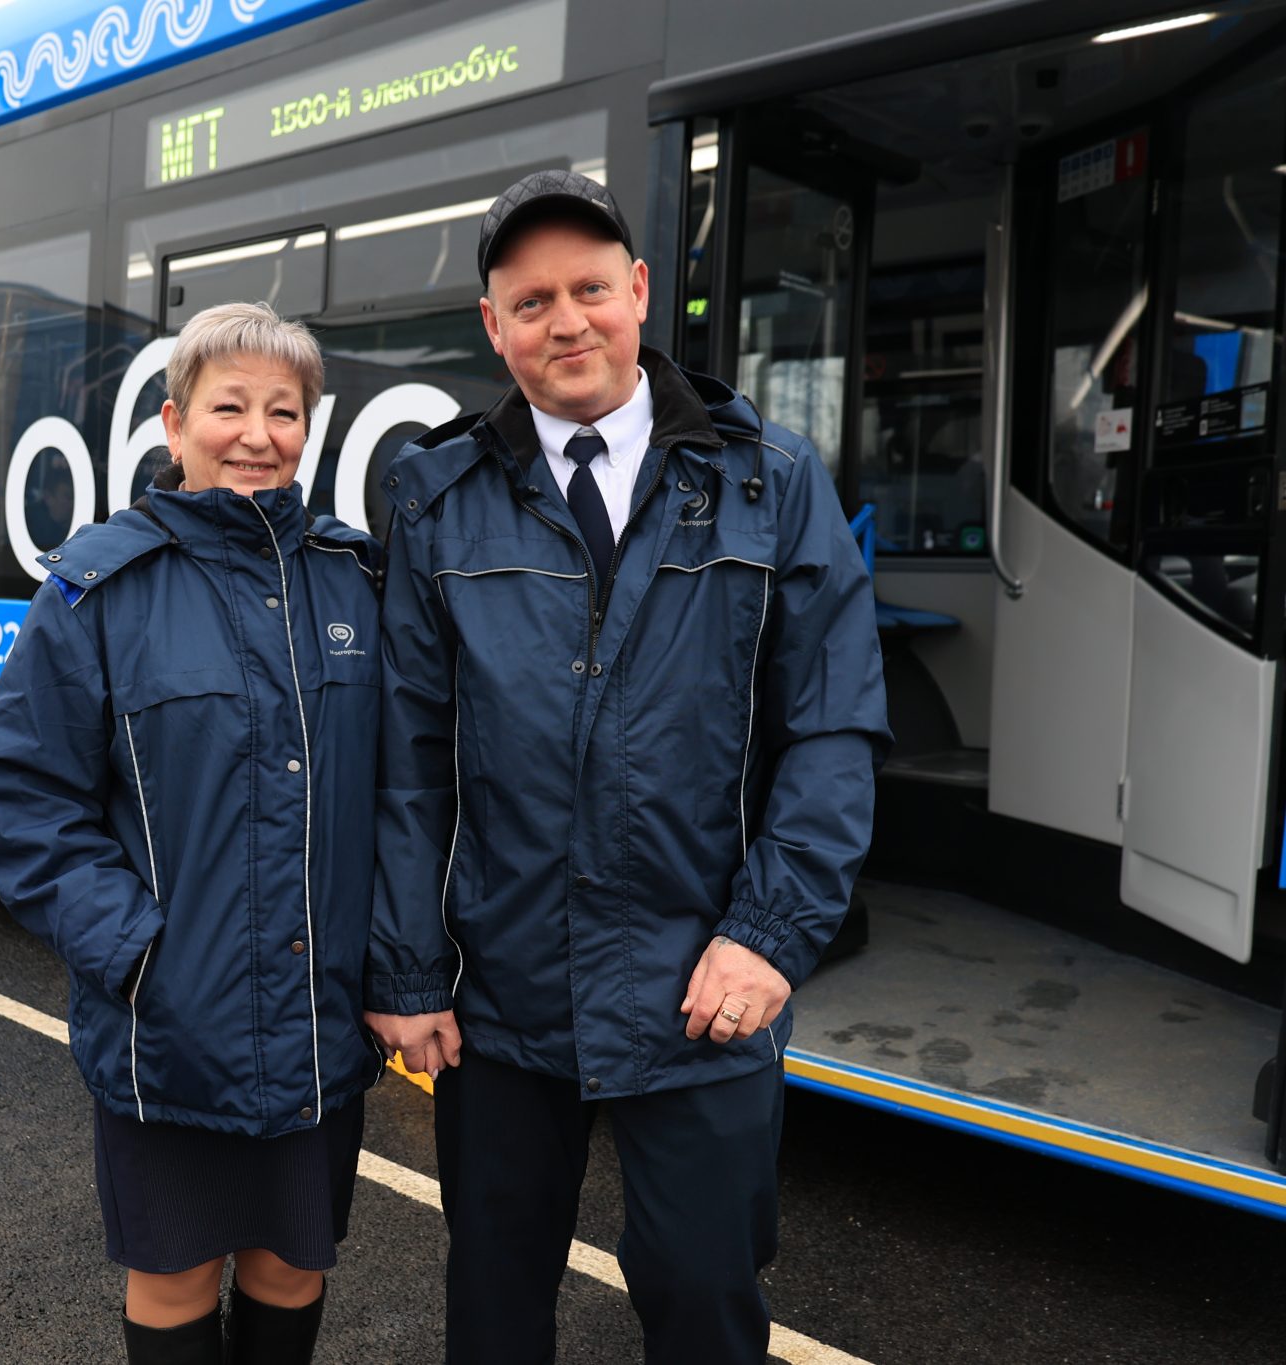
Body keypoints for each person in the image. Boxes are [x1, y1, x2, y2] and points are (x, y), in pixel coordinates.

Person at [363, 170, 891, 1364]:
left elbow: (833, 727)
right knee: (493, 1310)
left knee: (703, 1301)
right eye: (531, 299)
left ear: (638, 293)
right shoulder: (435, 499)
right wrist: (405, 965)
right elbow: (405, 760)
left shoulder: (769, 482)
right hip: (497, 997)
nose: (566, 322)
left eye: (589, 289)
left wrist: (768, 932)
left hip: (701, 983)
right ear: (492, 327)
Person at [0, 301, 385, 1365]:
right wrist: (138, 956)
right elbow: (22, 802)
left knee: (293, 1264)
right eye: (228, 406)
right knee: (173, 1275)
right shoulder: (95, 589)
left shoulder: (355, 578)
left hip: (313, 1019)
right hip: (171, 1028)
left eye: (283, 411)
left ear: (309, 429)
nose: (257, 433)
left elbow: (400, 789)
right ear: (172, 423)